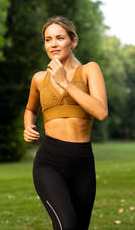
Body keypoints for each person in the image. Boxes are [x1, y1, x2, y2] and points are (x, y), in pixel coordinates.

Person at [23, 15, 108, 230]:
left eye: (59, 38)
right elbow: (31, 109)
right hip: (50, 162)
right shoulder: (39, 79)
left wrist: (65, 83)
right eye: (48, 39)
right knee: (66, 226)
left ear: (73, 41)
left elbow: (101, 112)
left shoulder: (89, 70)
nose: (53, 44)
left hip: (82, 163)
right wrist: (27, 125)